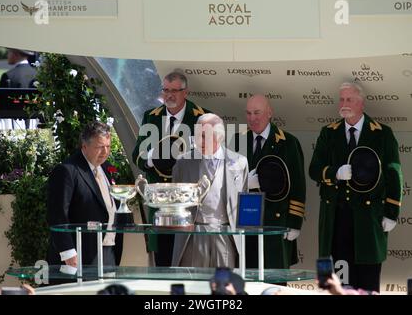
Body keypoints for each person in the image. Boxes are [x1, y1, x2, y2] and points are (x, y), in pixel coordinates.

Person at [309, 82, 403, 292]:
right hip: (337, 219)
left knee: (368, 281)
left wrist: (391, 213)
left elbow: (393, 175)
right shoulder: (329, 133)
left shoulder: (382, 133)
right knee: (341, 280)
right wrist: (335, 173)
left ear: (361, 102)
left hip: (369, 220)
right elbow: (314, 169)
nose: (344, 104)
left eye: (349, 99)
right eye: (341, 99)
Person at [131, 71, 210, 266]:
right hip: (160, 205)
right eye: (166, 90)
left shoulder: (202, 117)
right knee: (163, 262)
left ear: (186, 92)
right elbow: (137, 156)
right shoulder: (151, 117)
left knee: (188, 260)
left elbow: (211, 159)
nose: (169, 95)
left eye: (175, 91)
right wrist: (154, 158)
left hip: (189, 205)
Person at [233, 94, 306, 270]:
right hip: (245, 223)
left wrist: (294, 224)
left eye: (257, 112)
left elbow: (297, 185)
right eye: (248, 113)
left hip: (276, 223)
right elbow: (225, 180)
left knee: (275, 282)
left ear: (269, 112)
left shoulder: (288, 143)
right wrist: (242, 184)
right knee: (246, 279)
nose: (252, 118)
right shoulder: (237, 141)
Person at [171, 113, 248, 268]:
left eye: (205, 136)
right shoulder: (183, 162)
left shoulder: (239, 162)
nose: (199, 141)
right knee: (192, 287)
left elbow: (243, 204)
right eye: (197, 135)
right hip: (193, 235)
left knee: (224, 286)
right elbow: (175, 201)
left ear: (219, 137)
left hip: (225, 234)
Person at [47, 121, 123, 270]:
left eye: (108, 146)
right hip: (78, 254)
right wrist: (68, 253)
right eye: (100, 147)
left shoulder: (107, 168)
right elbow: (57, 215)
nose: (105, 152)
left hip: (108, 252)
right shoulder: (67, 171)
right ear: (84, 146)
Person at [0, 48, 38, 129]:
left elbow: (0, 105)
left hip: (14, 125)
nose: (7, 55)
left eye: (9, 52)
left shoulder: (8, 76)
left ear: (16, 54)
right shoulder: (38, 74)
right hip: (36, 124)